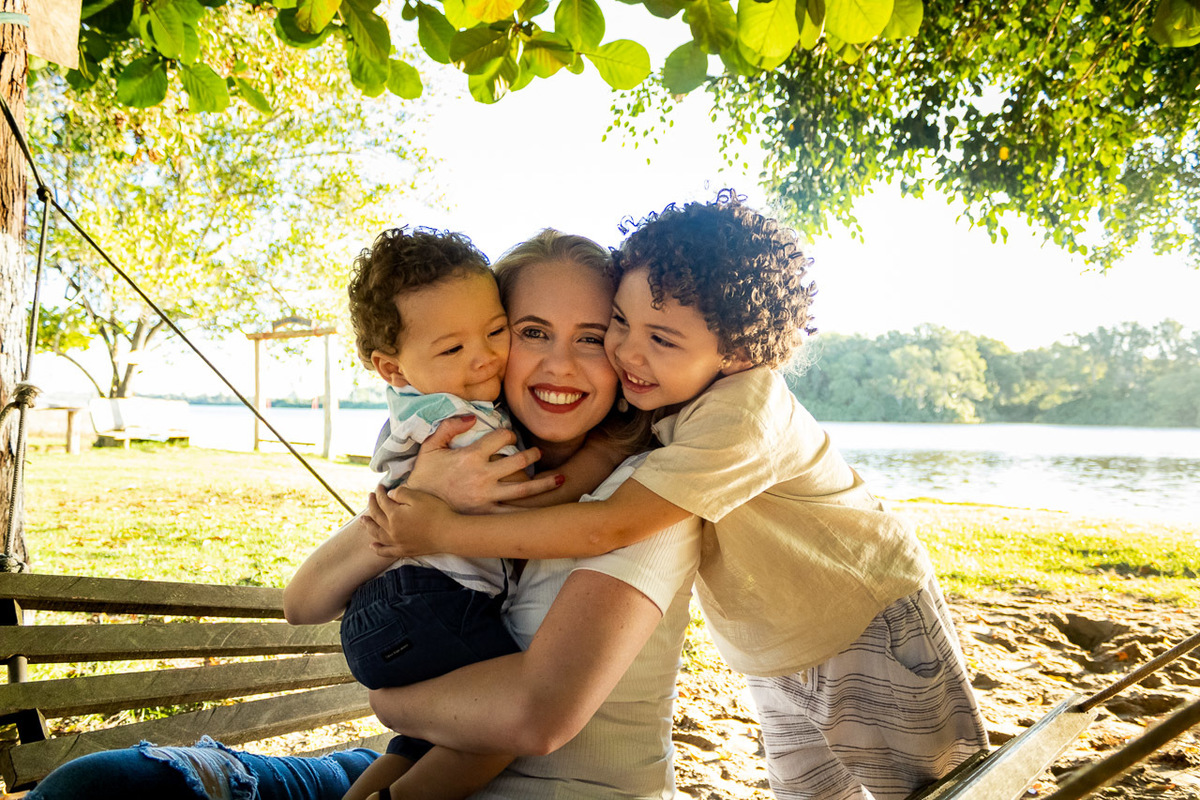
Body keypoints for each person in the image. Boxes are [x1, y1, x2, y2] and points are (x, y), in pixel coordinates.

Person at [26, 229, 701, 800]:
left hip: (507, 774)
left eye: (589, 338)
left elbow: (532, 715)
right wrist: (426, 502)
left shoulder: (648, 495)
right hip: (426, 737)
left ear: (622, 351)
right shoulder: (462, 453)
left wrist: (388, 701)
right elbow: (303, 600)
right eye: (529, 331)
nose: (559, 364)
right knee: (99, 785)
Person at [369, 194, 990, 800]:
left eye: (660, 339)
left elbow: (605, 527)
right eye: (620, 323)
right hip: (775, 647)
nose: (629, 352)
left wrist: (445, 531)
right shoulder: (666, 402)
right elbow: (579, 481)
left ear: (739, 352)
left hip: (868, 618)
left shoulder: (744, 412)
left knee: (942, 787)